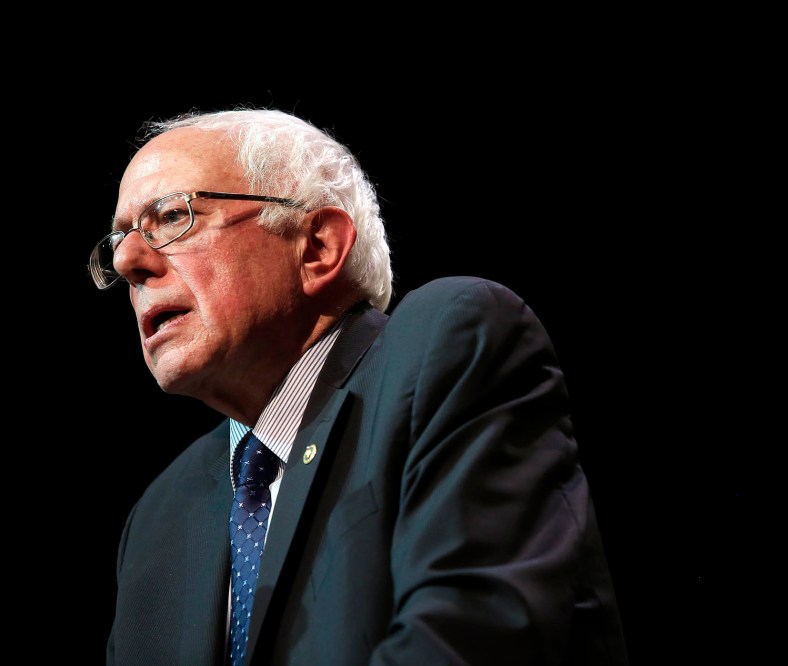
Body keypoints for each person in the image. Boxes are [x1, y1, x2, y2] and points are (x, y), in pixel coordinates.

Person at [94, 107, 629, 665]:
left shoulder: (446, 350)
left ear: (318, 247)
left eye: (173, 217)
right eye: (120, 239)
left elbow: (472, 639)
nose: (129, 261)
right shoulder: (158, 518)